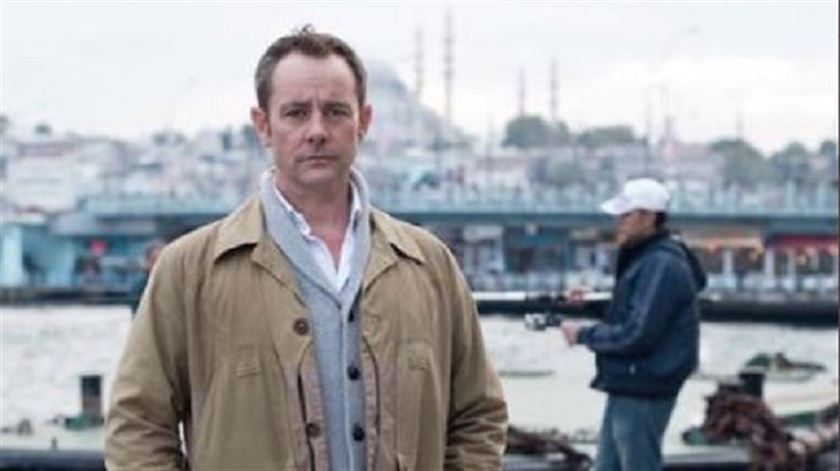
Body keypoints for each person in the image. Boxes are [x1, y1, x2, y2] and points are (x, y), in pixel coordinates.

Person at [105, 26, 507, 470]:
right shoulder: (189, 271)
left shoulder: (430, 267)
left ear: (363, 121)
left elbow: (478, 414)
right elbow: (137, 425)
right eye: (296, 113)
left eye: (335, 112)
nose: (317, 130)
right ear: (263, 125)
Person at [560, 178, 706, 471]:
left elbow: (638, 333)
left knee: (636, 463)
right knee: (608, 465)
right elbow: (638, 310)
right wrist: (589, 304)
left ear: (649, 217)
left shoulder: (661, 264)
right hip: (632, 380)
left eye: (626, 215)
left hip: (644, 383)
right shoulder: (652, 258)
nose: (619, 222)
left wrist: (584, 335)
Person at [128, 240, 164, 315]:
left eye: (161, 260)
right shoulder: (139, 286)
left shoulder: (173, 283)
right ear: (147, 262)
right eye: (154, 260)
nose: (158, 264)